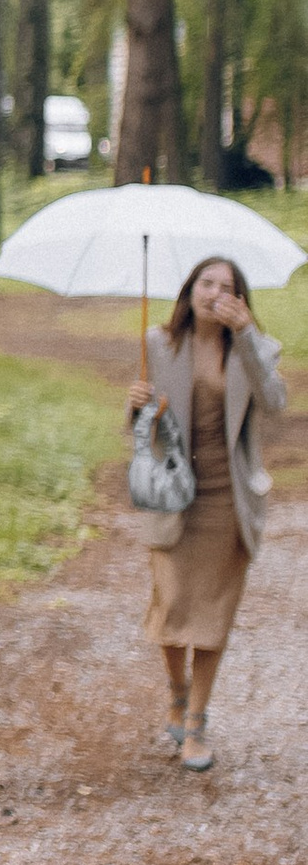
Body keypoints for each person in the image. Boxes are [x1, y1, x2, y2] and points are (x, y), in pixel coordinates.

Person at [134, 256, 286, 773]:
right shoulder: (158, 344)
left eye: (227, 287)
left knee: (214, 616)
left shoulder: (253, 349)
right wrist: (135, 408)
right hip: (174, 496)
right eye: (207, 283)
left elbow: (275, 402)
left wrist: (245, 337)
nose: (215, 293)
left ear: (240, 299)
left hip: (227, 501)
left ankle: (196, 722)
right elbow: (142, 432)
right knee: (173, 608)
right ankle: (177, 692)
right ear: (190, 289)